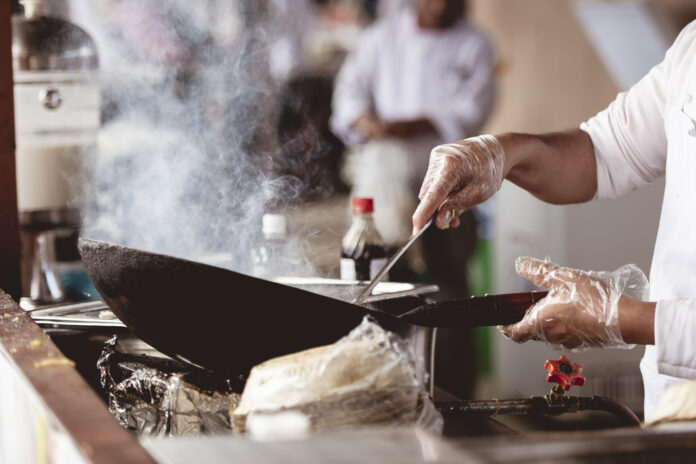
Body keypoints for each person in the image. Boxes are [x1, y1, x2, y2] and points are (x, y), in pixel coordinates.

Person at [411, 20, 696, 420]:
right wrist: (503, 152)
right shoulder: (692, 45)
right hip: (673, 399)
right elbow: (603, 152)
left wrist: (621, 318)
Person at [330, 0, 495, 398]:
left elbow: (473, 109)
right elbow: (347, 94)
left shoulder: (474, 44)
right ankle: (392, 391)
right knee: (388, 289)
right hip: (388, 189)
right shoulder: (382, 37)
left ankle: (457, 397)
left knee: (451, 291)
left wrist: (415, 124)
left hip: (453, 187)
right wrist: (366, 121)